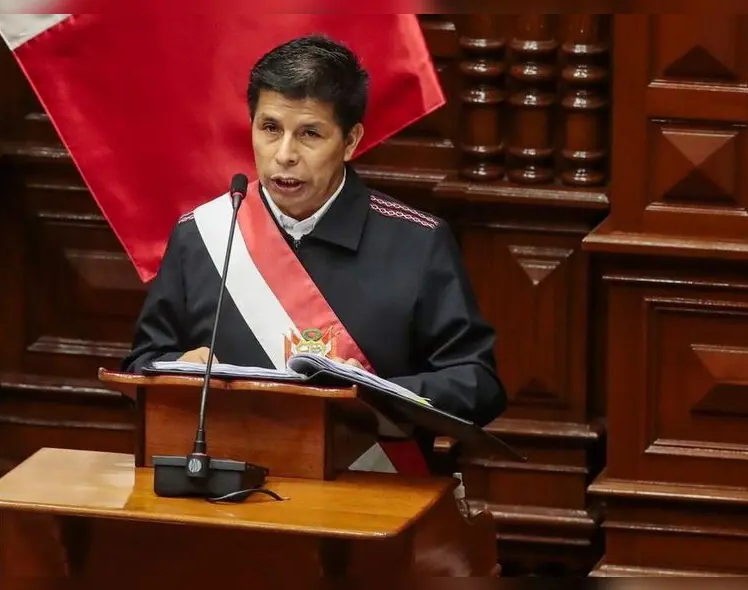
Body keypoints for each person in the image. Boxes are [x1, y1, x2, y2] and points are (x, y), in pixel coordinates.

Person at [121, 35, 506, 471]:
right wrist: (176, 369)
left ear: (350, 140)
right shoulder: (205, 235)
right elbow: (141, 366)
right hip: (228, 495)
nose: (284, 155)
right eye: (270, 129)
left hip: (371, 499)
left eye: (309, 134)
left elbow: (479, 385)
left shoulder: (417, 242)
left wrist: (374, 396)